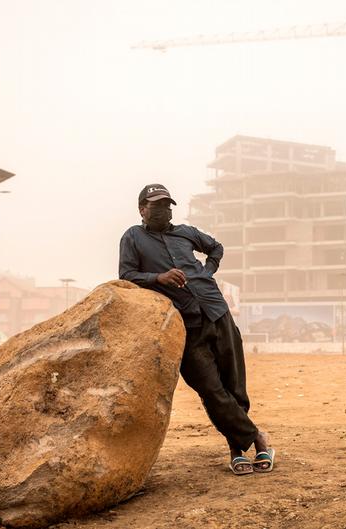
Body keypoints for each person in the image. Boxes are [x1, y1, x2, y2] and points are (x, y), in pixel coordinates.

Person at [119, 183, 275, 475]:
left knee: (234, 387)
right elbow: (127, 274)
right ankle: (257, 438)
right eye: (156, 205)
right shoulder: (133, 237)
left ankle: (236, 449)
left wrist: (207, 271)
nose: (164, 210)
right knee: (211, 389)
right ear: (142, 209)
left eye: (167, 205)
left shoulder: (186, 232)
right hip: (186, 326)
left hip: (218, 312)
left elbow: (216, 248)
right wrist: (159, 278)